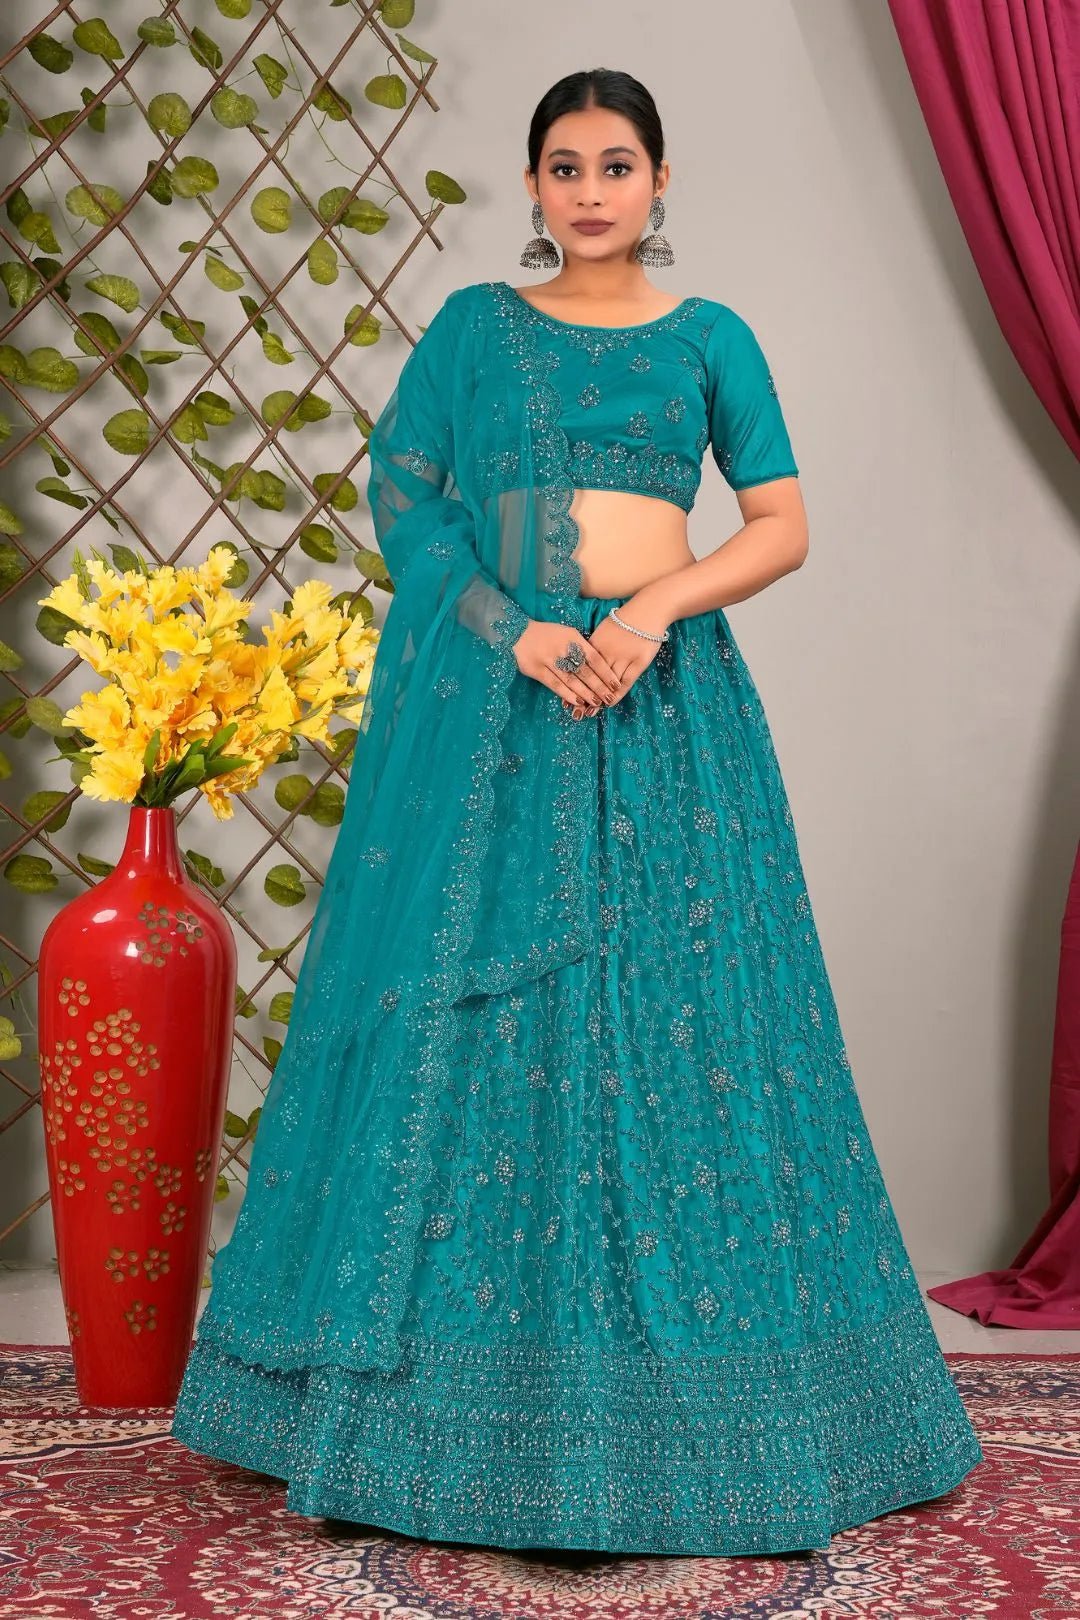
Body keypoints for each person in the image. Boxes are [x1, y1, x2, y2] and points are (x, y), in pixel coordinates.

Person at [171, 66, 984, 1558]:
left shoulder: (710, 336)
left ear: (660, 183)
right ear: (535, 184)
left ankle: (707, 1424)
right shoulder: (476, 329)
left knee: (689, 1017)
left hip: (665, 706)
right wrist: (512, 628)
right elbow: (405, 494)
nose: (591, 190)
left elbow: (782, 524)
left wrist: (655, 609)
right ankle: (443, 1425)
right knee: (488, 1024)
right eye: (564, 165)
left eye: (617, 164)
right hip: (505, 705)